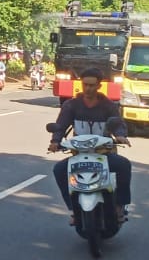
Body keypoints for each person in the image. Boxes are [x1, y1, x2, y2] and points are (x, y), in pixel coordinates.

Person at [48, 67, 132, 224]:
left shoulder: (108, 106)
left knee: (124, 166)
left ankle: (120, 206)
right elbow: (60, 125)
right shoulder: (71, 105)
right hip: (78, 155)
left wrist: (120, 136)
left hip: (103, 155)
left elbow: (118, 123)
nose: (88, 88)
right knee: (59, 170)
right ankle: (74, 210)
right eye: (85, 84)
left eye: (92, 85)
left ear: (99, 86)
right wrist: (55, 141)